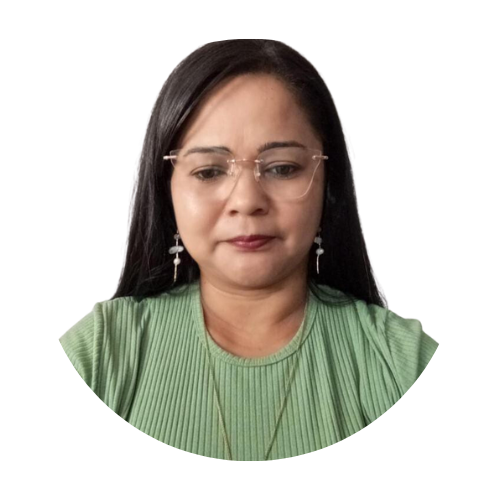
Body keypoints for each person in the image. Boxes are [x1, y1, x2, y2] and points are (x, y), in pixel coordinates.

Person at [59, 39, 439, 462]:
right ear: (166, 191)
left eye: (282, 168)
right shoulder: (102, 352)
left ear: (328, 184)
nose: (246, 201)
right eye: (209, 171)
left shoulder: (401, 362)